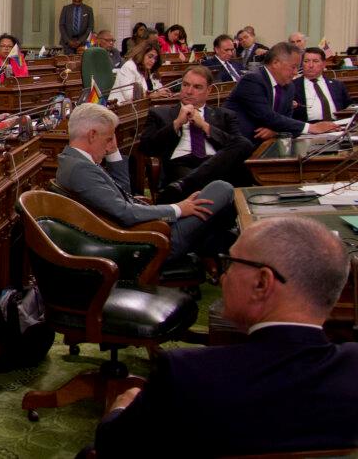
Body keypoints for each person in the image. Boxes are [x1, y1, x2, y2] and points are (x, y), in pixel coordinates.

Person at [95, 216, 358, 458]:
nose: (221, 277)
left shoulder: (185, 371)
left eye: (230, 264)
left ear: (261, 283)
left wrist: (121, 406)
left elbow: (112, 447)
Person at [55, 102, 235, 261]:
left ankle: (220, 251)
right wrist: (179, 208)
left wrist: (114, 152)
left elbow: (124, 193)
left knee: (214, 214)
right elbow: (124, 212)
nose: (110, 145)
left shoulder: (73, 161)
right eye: (109, 139)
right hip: (149, 243)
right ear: (92, 135)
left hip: (145, 229)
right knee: (222, 189)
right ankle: (222, 254)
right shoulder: (81, 169)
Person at [139, 65, 254, 202]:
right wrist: (177, 123)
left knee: (244, 144)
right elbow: (146, 147)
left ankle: (183, 185)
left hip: (215, 163)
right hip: (181, 164)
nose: (189, 91)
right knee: (216, 185)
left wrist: (205, 126)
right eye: (186, 85)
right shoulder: (160, 113)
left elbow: (239, 146)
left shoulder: (225, 115)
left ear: (209, 90)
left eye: (197, 87)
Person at [226, 41, 339, 143]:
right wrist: (311, 127)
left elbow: (287, 121)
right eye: (293, 67)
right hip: (241, 145)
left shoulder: (289, 87)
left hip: (271, 145)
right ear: (276, 63)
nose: (296, 73)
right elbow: (267, 116)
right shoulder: (252, 80)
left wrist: (276, 131)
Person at [293, 46, 352, 122]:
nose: (310, 65)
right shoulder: (292, 86)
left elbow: (350, 107)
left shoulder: (337, 85)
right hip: (309, 128)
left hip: (337, 126)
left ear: (324, 64)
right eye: (306, 61)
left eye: (315, 61)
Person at [109, 38, 169, 103]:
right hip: (120, 108)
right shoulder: (129, 66)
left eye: (155, 58)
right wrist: (152, 95)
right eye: (150, 56)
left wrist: (159, 91)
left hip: (139, 107)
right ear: (141, 54)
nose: (153, 61)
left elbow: (150, 89)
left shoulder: (145, 68)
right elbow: (129, 96)